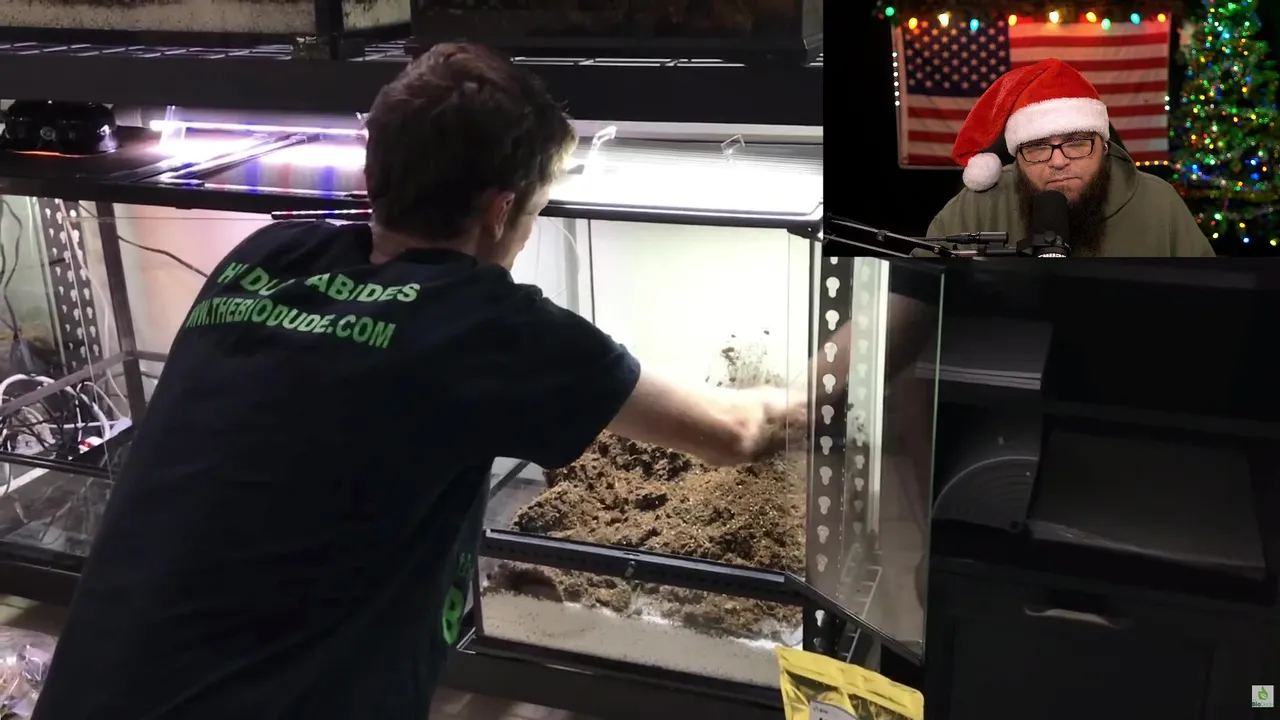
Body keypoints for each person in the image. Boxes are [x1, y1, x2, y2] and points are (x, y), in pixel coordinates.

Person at [31, 43, 804, 720]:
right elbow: (739, 432)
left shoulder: (261, 260)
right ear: (500, 210)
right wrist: (852, 353)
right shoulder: (484, 326)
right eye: (534, 212)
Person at [929, 58, 1215, 258]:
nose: (1058, 162)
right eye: (1038, 148)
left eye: (1077, 144)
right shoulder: (975, 207)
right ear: (1017, 157)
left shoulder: (1159, 204)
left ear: (1104, 146)